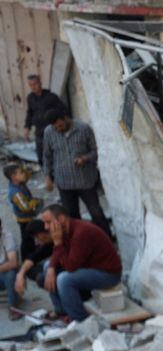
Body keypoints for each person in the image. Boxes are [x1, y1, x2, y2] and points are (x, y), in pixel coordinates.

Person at [40, 204, 121, 322]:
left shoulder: (81, 232)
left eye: (48, 222)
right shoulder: (65, 230)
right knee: (47, 266)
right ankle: (61, 310)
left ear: (61, 218)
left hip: (108, 274)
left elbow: (70, 266)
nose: (46, 227)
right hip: (88, 268)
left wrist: (57, 243)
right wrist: (51, 268)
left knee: (64, 279)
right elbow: (58, 254)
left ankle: (79, 319)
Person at [42, 110, 112, 238]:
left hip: (85, 181)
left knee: (96, 213)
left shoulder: (83, 129)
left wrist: (85, 158)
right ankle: (80, 241)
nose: (58, 130)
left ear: (65, 118)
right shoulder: (48, 132)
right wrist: (47, 176)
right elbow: (47, 156)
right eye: (55, 128)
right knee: (71, 217)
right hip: (64, 183)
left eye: (60, 126)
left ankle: (106, 239)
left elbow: (96, 151)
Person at [23, 74, 66, 166]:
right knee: (41, 156)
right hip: (39, 131)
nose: (33, 87)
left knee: (55, 154)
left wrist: (60, 124)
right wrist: (27, 127)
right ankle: (45, 172)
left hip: (52, 130)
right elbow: (30, 113)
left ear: (40, 83)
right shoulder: (30, 98)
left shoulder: (51, 97)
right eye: (30, 85)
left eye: (35, 84)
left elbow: (63, 110)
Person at [4, 163, 41, 260]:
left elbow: (27, 176)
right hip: (24, 219)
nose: (24, 174)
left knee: (30, 237)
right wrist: (35, 202)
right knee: (26, 239)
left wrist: (23, 169)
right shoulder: (15, 192)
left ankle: (32, 253)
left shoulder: (20, 182)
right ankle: (26, 257)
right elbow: (25, 207)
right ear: (14, 177)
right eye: (21, 172)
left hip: (28, 217)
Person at [14, 219, 53, 298]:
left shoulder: (58, 239)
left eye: (37, 237)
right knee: (32, 271)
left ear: (41, 234)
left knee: (46, 275)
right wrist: (20, 274)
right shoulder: (48, 243)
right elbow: (33, 257)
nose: (37, 241)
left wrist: (52, 269)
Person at [0, 218, 21, 320]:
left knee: (10, 274)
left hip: (4, 275)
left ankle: (13, 307)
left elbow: (13, 263)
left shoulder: (8, 238)